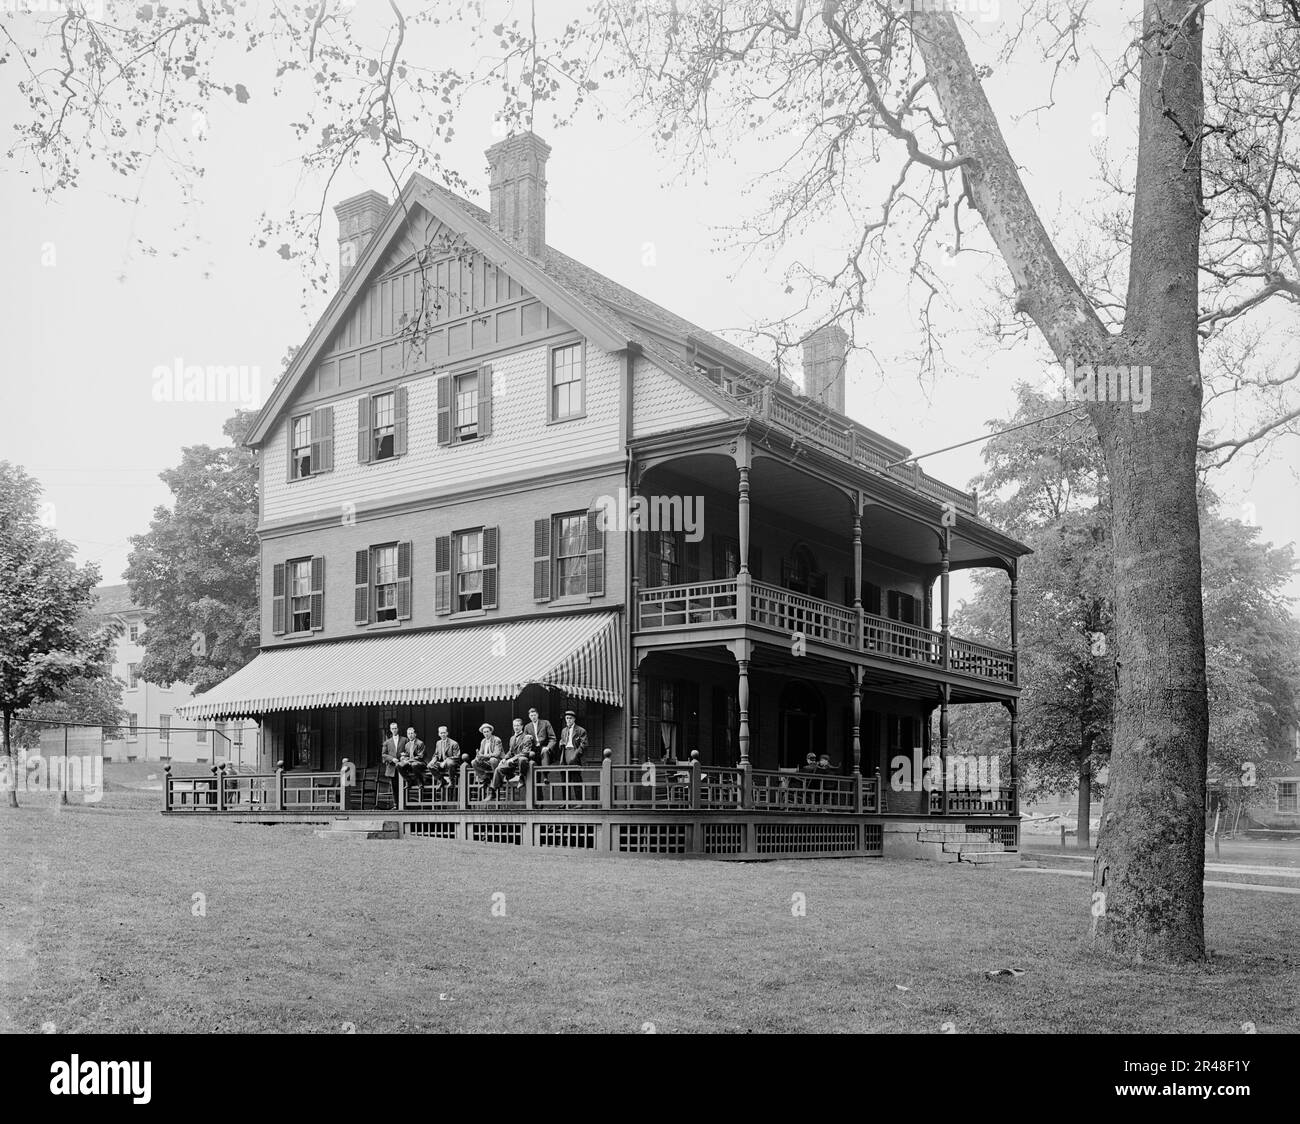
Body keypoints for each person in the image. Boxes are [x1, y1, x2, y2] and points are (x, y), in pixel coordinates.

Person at [493, 718, 534, 793]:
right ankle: (494, 790)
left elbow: (525, 752)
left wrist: (512, 759)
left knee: (522, 759)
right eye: (514, 725)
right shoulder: (512, 738)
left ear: (522, 726)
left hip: (521, 762)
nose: (516, 727)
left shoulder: (526, 737)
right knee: (498, 769)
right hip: (512, 762)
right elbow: (510, 751)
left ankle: (521, 779)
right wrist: (505, 758)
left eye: (518, 725)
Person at [379, 721, 407, 808]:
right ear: (390, 730)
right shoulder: (387, 742)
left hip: (402, 766)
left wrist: (404, 757)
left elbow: (408, 751)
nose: (394, 730)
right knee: (394, 787)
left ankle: (404, 804)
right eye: (392, 729)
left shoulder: (404, 739)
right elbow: (383, 754)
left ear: (398, 729)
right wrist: (392, 759)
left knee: (403, 786)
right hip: (392, 767)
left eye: (395, 728)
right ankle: (396, 804)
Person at [472, 723, 504, 798]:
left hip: (497, 762)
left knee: (493, 760)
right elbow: (481, 754)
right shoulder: (483, 741)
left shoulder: (497, 740)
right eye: (484, 732)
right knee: (474, 762)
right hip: (487, 763)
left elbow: (497, 754)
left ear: (491, 731)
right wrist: (478, 756)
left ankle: (495, 778)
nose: (486, 733)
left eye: (487, 731)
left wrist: (484, 756)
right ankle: (485, 778)